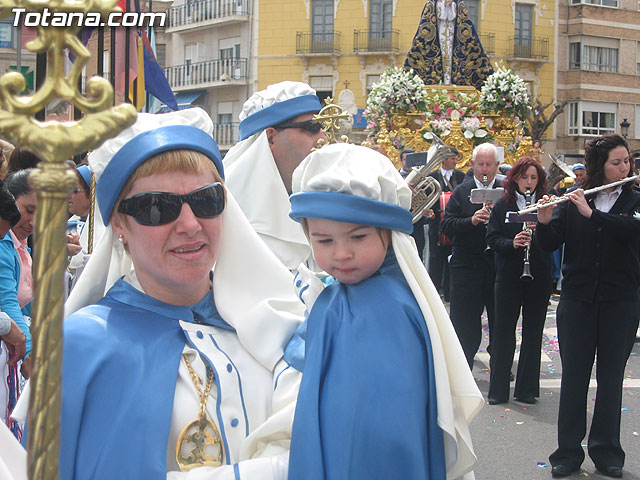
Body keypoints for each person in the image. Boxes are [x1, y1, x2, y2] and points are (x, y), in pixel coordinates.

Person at [20, 109, 305, 479]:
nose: (189, 225)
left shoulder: (278, 326)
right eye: (158, 207)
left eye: (206, 200)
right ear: (119, 224)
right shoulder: (79, 349)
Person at [287, 143, 483, 480]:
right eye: (323, 241)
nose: (342, 253)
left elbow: (387, 436)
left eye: (358, 236)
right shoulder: (345, 295)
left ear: (389, 235)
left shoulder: (387, 310)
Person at [536, 135, 640, 478]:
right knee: (575, 380)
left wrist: (591, 213)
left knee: (611, 380)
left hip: (620, 302)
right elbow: (549, 244)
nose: (625, 168)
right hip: (578, 301)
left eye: (627, 161)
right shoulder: (573, 201)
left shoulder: (634, 199)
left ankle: (607, 452)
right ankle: (566, 454)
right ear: (599, 166)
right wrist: (546, 219)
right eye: (617, 162)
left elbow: (630, 230)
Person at [223, 81, 326, 271]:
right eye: (312, 128)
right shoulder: (227, 212)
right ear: (271, 137)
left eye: (323, 127)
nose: (323, 139)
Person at [485, 157, 552, 405]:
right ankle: (498, 390)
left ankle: (526, 390)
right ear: (515, 179)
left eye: (534, 178)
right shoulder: (503, 205)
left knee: (533, 332)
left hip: (539, 274)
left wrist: (542, 227)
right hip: (509, 274)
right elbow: (492, 239)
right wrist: (512, 243)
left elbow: (555, 237)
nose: (529, 183)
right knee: (503, 332)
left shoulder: (547, 205)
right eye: (525, 177)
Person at [442, 142, 502, 369]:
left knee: (499, 318)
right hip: (467, 264)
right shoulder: (461, 191)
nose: (484, 170)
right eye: (480, 164)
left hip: (496, 263)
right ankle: (463, 366)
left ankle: (500, 363)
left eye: (489, 165)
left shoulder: (506, 191)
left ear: (497, 165)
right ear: (473, 165)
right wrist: (472, 220)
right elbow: (447, 225)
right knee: (465, 319)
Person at [0, 170, 34, 440]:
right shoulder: (4, 246)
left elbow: (26, 307)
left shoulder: (20, 247)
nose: (33, 221)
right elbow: (7, 299)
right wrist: (29, 351)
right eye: (29, 210)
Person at [405, 0, 493, 89]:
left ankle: (451, 81)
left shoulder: (458, 4)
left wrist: (452, 5)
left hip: (453, 35)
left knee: (451, 55)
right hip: (438, 32)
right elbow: (430, 18)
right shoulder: (432, 4)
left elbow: (461, 19)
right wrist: (442, 4)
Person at [426, 146, 465, 301]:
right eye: (452, 158)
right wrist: (430, 211)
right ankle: (433, 295)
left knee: (453, 260)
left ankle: (450, 293)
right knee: (436, 260)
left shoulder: (461, 176)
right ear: (443, 160)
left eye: (456, 158)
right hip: (436, 225)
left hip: (453, 224)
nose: (455, 161)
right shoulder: (432, 176)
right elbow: (427, 197)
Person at [399, 147, 428, 261]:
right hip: (400, 222)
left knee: (417, 257)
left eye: (411, 160)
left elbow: (427, 199)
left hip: (417, 224)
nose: (408, 163)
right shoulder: (394, 177)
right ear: (401, 161)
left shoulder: (423, 179)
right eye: (406, 159)